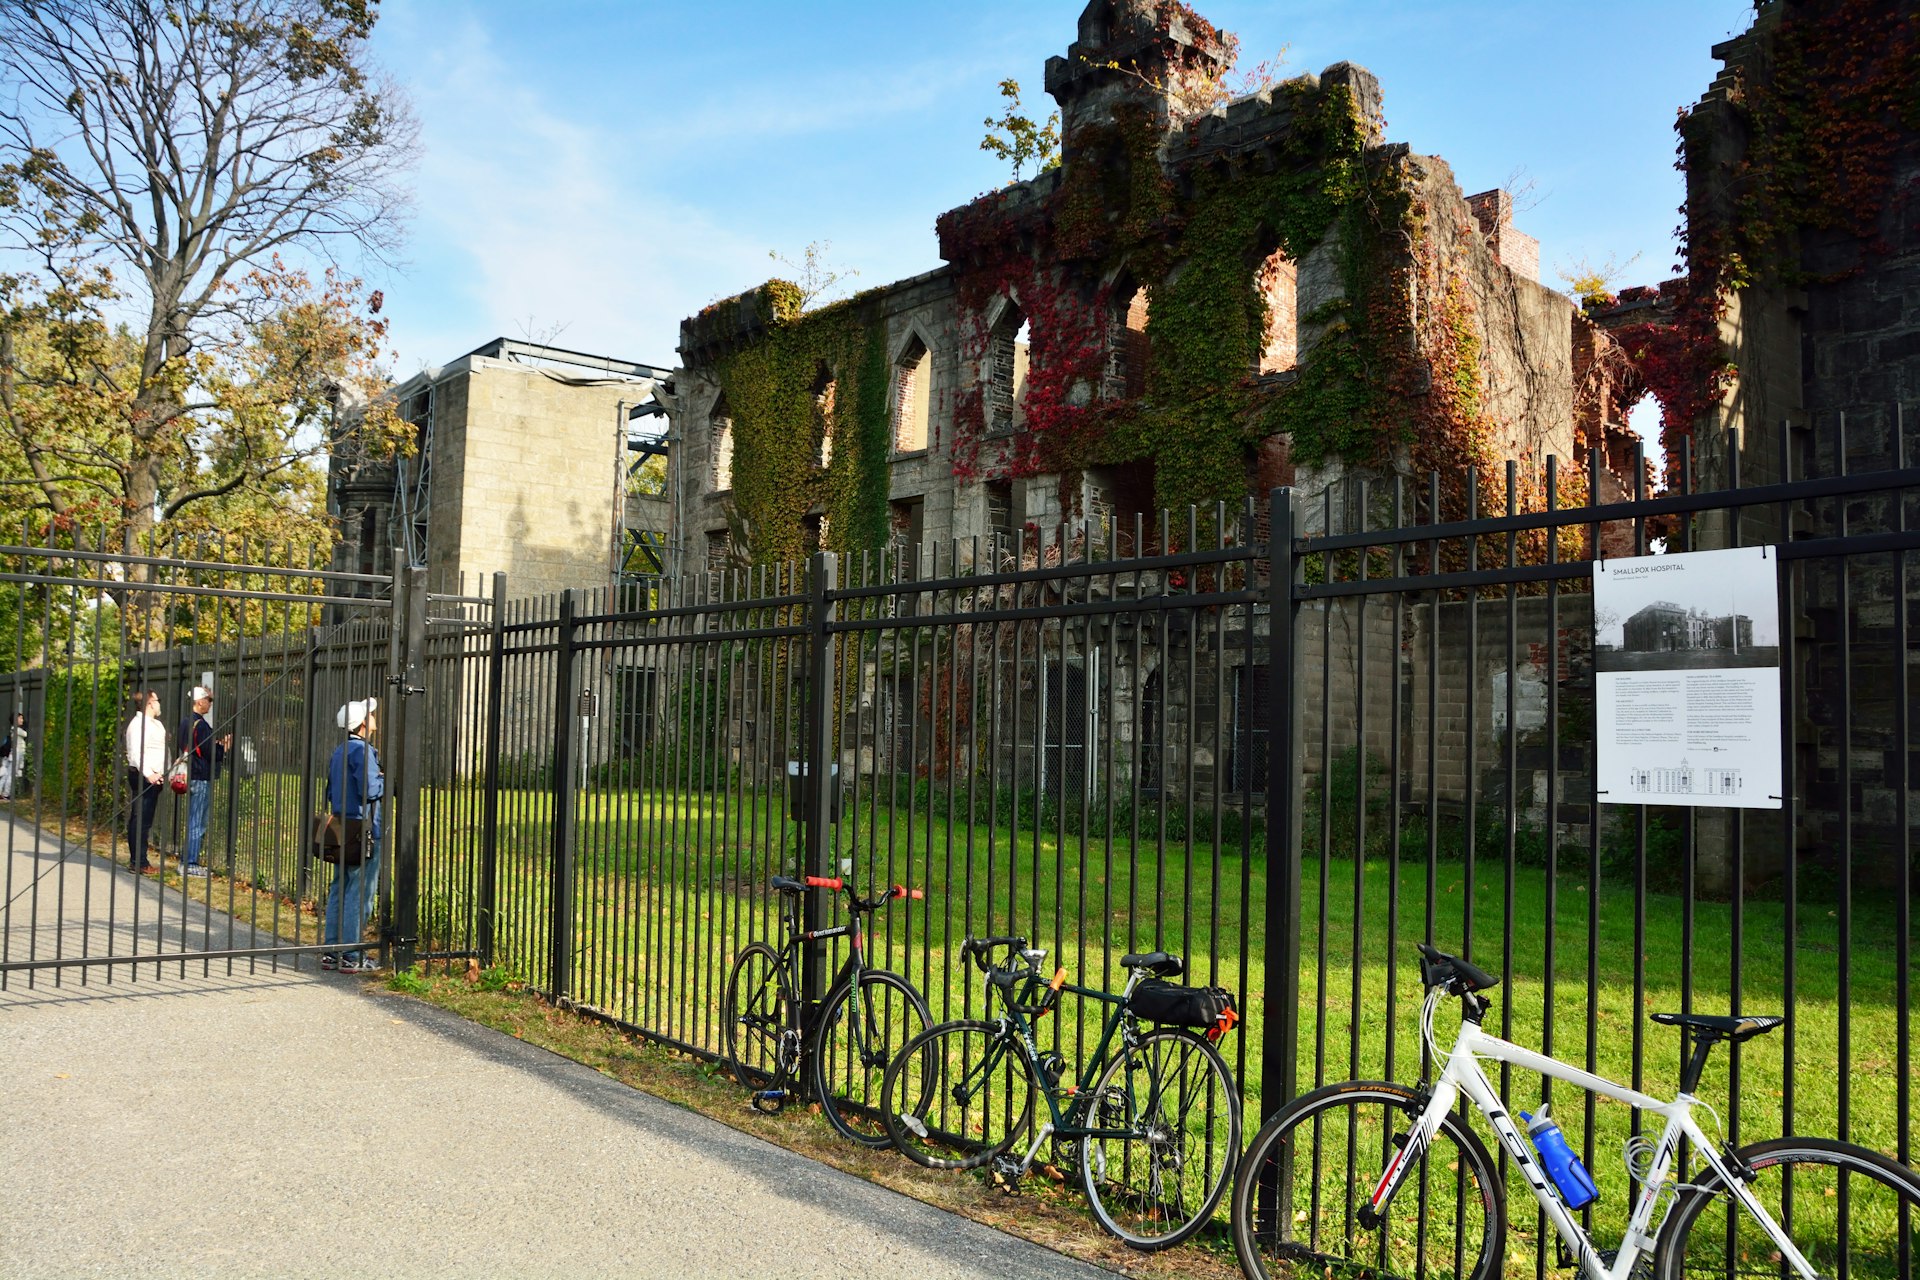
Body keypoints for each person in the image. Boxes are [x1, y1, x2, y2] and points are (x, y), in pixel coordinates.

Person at [322, 696, 383, 973]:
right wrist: (384, 779)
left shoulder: (340, 749)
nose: (374, 718)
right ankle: (351, 953)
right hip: (364, 829)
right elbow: (370, 790)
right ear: (361, 723)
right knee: (360, 893)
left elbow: (331, 790)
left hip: (341, 827)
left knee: (340, 887)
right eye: (370, 715)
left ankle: (332, 951)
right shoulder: (363, 751)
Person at [176, 687, 231, 877]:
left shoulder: (185, 722)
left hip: (189, 774)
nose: (210, 703)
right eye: (209, 700)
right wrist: (223, 748)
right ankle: (190, 863)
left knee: (193, 819)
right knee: (197, 822)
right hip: (200, 777)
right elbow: (209, 752)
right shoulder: (200, 725)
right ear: (200, 701)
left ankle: (187, 860)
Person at [123, 690, 166, 874]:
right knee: (140, 819)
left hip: (155, 776)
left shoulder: (154, 724)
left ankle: (139, 860)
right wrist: (149, 774)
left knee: (144, 819)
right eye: (158, 700)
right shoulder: (138, 725)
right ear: (150, 703)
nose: (159, 704)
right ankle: (138, 861)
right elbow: (135, 753)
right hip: (143, 776)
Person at [0, 712, 25, 800]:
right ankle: (6, 794)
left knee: (7, 774)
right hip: (16, 753)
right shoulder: (17, 730)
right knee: (11, 774)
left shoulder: (13, 729)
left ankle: (3, 792)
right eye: (20, 718)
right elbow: (25, 734)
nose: (22, 720)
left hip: (14, 753)